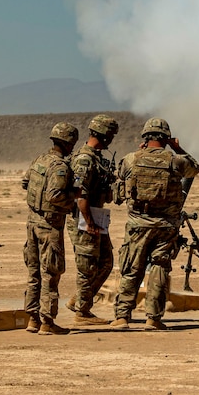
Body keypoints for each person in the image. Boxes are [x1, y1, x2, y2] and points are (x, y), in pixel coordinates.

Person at [111, 117, 199, 331]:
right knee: (160, 268)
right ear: (167, 138)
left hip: (138, 225)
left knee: (131, 269)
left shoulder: (131, 159)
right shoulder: (176, 160)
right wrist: (177, 148)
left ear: (144, 137)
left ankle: (122, 317)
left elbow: (120, 181)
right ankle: (153, 318)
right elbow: (194, 168)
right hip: (166, 226)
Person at [22, 122, 79, 335]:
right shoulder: (60, 167)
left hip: (32, 223)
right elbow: (54, 196)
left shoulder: (39, 160)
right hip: (49, 226)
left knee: (34, 273)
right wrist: (73, 198)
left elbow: (25, 182)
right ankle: (47, 321)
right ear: (68, 143)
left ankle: (32, 319)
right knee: (50, 273)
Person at [66, 114, 119, 326]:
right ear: (104, 135)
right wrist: (88, 221)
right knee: (87, 266)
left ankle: (80, 300)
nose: (112, 140)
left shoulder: (97, 158)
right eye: (111, 135)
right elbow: (81, 195)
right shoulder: (84, 159)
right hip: (84, 219)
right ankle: (82, 312)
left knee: (106, 262)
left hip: (96, 216)